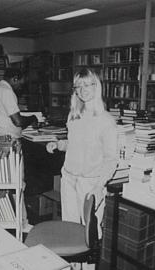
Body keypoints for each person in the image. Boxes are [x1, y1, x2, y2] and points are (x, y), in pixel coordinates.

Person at [46, 68, 118, 238]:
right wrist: (58, 144)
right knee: (69, 230)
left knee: (89, 234)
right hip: (69, 179)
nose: (82, 89)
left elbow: (111, 159)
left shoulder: (106, 120)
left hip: (90, 183)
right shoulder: (74, 116)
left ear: (96, 86)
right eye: (78, 86)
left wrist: (99, 186)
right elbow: (75, 144)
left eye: (87, 84)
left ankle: (87, 266)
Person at [0, 67, 38, 230]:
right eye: (20, 83)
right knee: (17, 184)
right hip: (10, 143)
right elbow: (18, 121)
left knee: (2, 184)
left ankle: (3, 221)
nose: (21, 87)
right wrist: (33, 118)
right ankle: (22, 224)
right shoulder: (7, 92)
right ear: (15, 78)